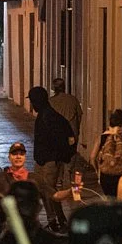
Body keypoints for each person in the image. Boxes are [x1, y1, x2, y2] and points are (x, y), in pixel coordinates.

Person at [29, 86, 76, 230]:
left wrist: (60, 156)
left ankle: (54, 220)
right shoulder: (46, 115)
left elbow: (64, 139)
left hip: (49, 161)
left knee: (48, 191)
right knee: (47, 191)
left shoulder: (49, 117)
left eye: (32, 101)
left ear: (37, 101)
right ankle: (58, 219)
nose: (31, 105)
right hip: (43, 160)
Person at [93, 109, 122, 197]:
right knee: (120, 199)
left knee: (109, 199)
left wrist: (98, 171)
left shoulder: (102, 138)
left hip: (105, 175)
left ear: (110, 123)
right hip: (121, 175)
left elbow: (92, 157)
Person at [49, 78, 84, 147]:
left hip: (56, 135)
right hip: (71, 133)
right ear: (64, 87)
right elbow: (79, 116)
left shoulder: (50, 101)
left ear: (54, 88)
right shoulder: (73, 100)